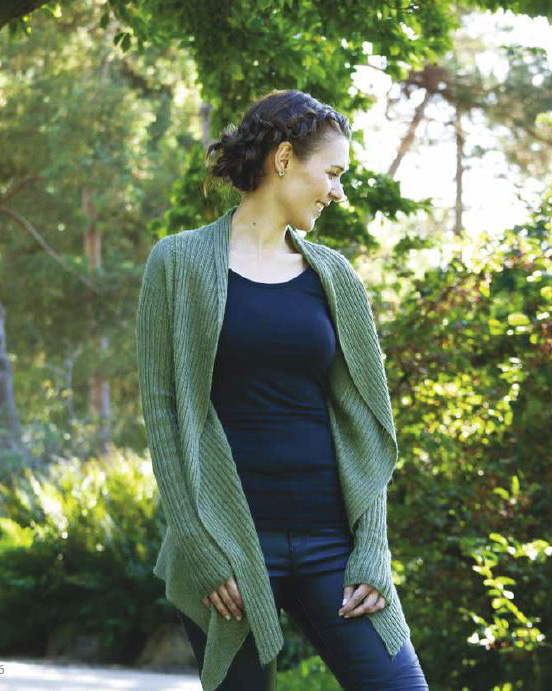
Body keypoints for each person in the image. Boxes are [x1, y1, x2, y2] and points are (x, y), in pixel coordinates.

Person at [136, 88, 429, 691]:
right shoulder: (178, 263)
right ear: (285, 158)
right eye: (333, 173)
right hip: (231, 548)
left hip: (332, 544)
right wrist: (198, 545)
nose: (338, 192)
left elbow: (365, 423)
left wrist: (373, 548)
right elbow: (163, 413)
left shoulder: (335, 277)